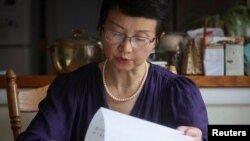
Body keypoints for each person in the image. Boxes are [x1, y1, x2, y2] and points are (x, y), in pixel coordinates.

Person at [17, 0, 208, 141]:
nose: (126, 48)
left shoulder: (178, 92)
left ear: (157, 40)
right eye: (116, 33)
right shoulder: (71, 88)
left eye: (140, 38)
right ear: (101, 28)